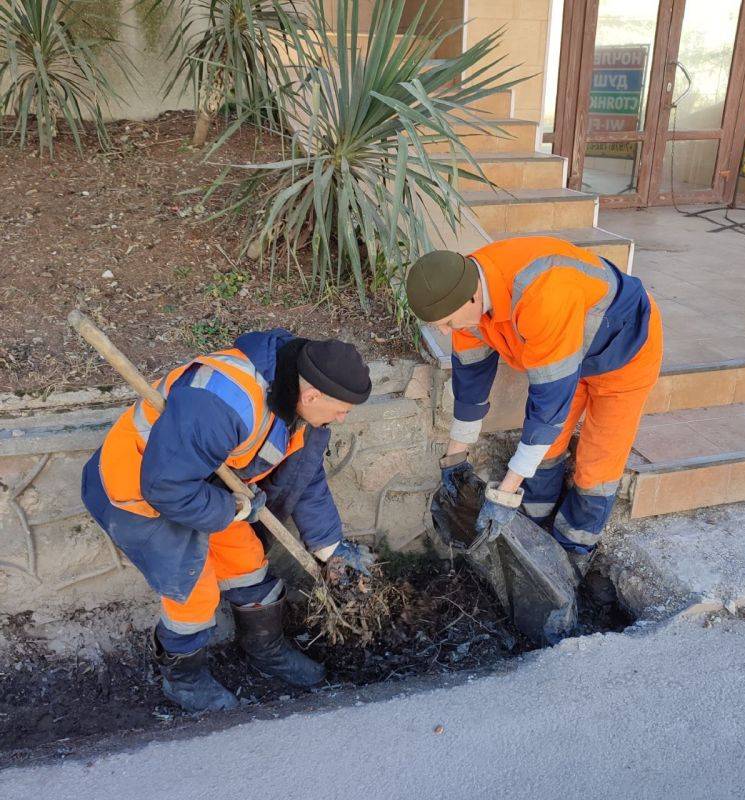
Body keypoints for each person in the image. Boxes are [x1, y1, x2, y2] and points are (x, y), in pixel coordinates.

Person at [81, 329, 374, 712]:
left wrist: (331, 548)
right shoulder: (227, 401)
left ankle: (265, 649)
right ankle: (183, 680)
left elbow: (306, 474)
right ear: (313, 396)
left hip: (205, 486)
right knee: (194, 589)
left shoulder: (297, 401)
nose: (342, 418)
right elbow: (166, 487)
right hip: (140, 490)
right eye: (341, 410)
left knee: (246, 559)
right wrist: (234, 509)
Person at [405, 236, 663, 578]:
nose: (444, 331)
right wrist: (454, 460)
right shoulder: (460, 290)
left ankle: (572, 554)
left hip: (624, 352)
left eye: (448, 323)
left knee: (597, 466)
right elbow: (470, 385)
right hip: (566, 351)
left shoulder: (543, 292)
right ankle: (535, 527)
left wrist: (505, 495)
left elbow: (548, 410)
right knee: (546, 452)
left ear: (473, 297)